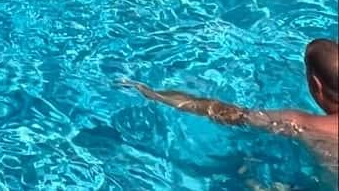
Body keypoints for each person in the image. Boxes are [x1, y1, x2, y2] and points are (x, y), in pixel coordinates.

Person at [130, 39, 339, 172]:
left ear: (315, 84)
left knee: (248, 174)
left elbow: (229, 114)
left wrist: (156, 95)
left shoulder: (302, 123)